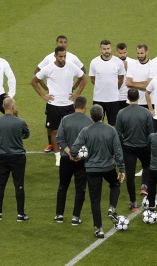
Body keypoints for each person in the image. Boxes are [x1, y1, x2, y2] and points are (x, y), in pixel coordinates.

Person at [70, 105, 125, 239]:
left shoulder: (85, 131)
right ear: (103, 116)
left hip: (91, 169)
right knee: (115, 185)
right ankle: (112, 208)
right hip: (108, 168)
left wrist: (76, 156)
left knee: (95, 199)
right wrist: (122, 169)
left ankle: (100, 229)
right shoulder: (111, 130)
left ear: (91, 117)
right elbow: (117, 151)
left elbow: (73, 150)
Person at [32, 46, 87, 166]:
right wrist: (43, 96)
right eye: (60, 56)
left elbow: (83, 78)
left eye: (64, 56)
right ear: (55, 56)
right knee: (54, 131)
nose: (63, 59)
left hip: (68, 105)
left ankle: (73, 152)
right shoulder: (48, 68)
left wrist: (77, 94)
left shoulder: (71, 66)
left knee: (72, 130)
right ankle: (58, 157)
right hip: (53, 105)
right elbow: (34, 81)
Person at [54, 96, 92, 225]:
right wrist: (78, 155)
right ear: (85, 106)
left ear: (74, 106)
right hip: (82, 161)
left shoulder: (65, 119)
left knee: (63, 186)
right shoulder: (89, 121)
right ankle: (76, 217)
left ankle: (59, 215)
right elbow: (91, 142)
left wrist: (70, 152)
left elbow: (59, 138)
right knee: (80, 188)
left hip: (66, 158)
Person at [115, 89, 154, 209]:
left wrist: (122, 144)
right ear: (138, 97)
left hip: (128, 148)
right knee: (147, 166)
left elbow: (117, 132)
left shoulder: (121, 113)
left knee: (130, 175)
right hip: (144, 147)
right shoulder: (146, 112)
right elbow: (151, 132)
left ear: (127, 97)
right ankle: (144, 186)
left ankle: (133, 203)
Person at [0, 98, 31, 221]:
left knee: (0, 184)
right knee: (19, 185)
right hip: (18, 157)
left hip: (3, 156)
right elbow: (27, 134)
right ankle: (20, 214)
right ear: (13, 107)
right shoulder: (20, 122)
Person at [89, 39, 126, 126]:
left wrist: (114, 88)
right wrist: (101, 87)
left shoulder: (118, 62)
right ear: (100, 50)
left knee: (113, 125)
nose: (106, 51)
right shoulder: (94, 62)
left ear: (111, 49)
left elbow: (121, 78)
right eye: (104, 49)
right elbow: (92, 79)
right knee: (96, 124)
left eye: (108, 48)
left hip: (113, 99)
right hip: (98, 98)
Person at [116, 43, 134, 110]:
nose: (122, 55)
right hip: (116, 97)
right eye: (120, 53)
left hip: (129, 97)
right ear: (116, 52)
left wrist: (127, 69)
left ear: (127, 51)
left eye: (124, 52)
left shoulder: (133, 62)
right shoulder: (113, 62)